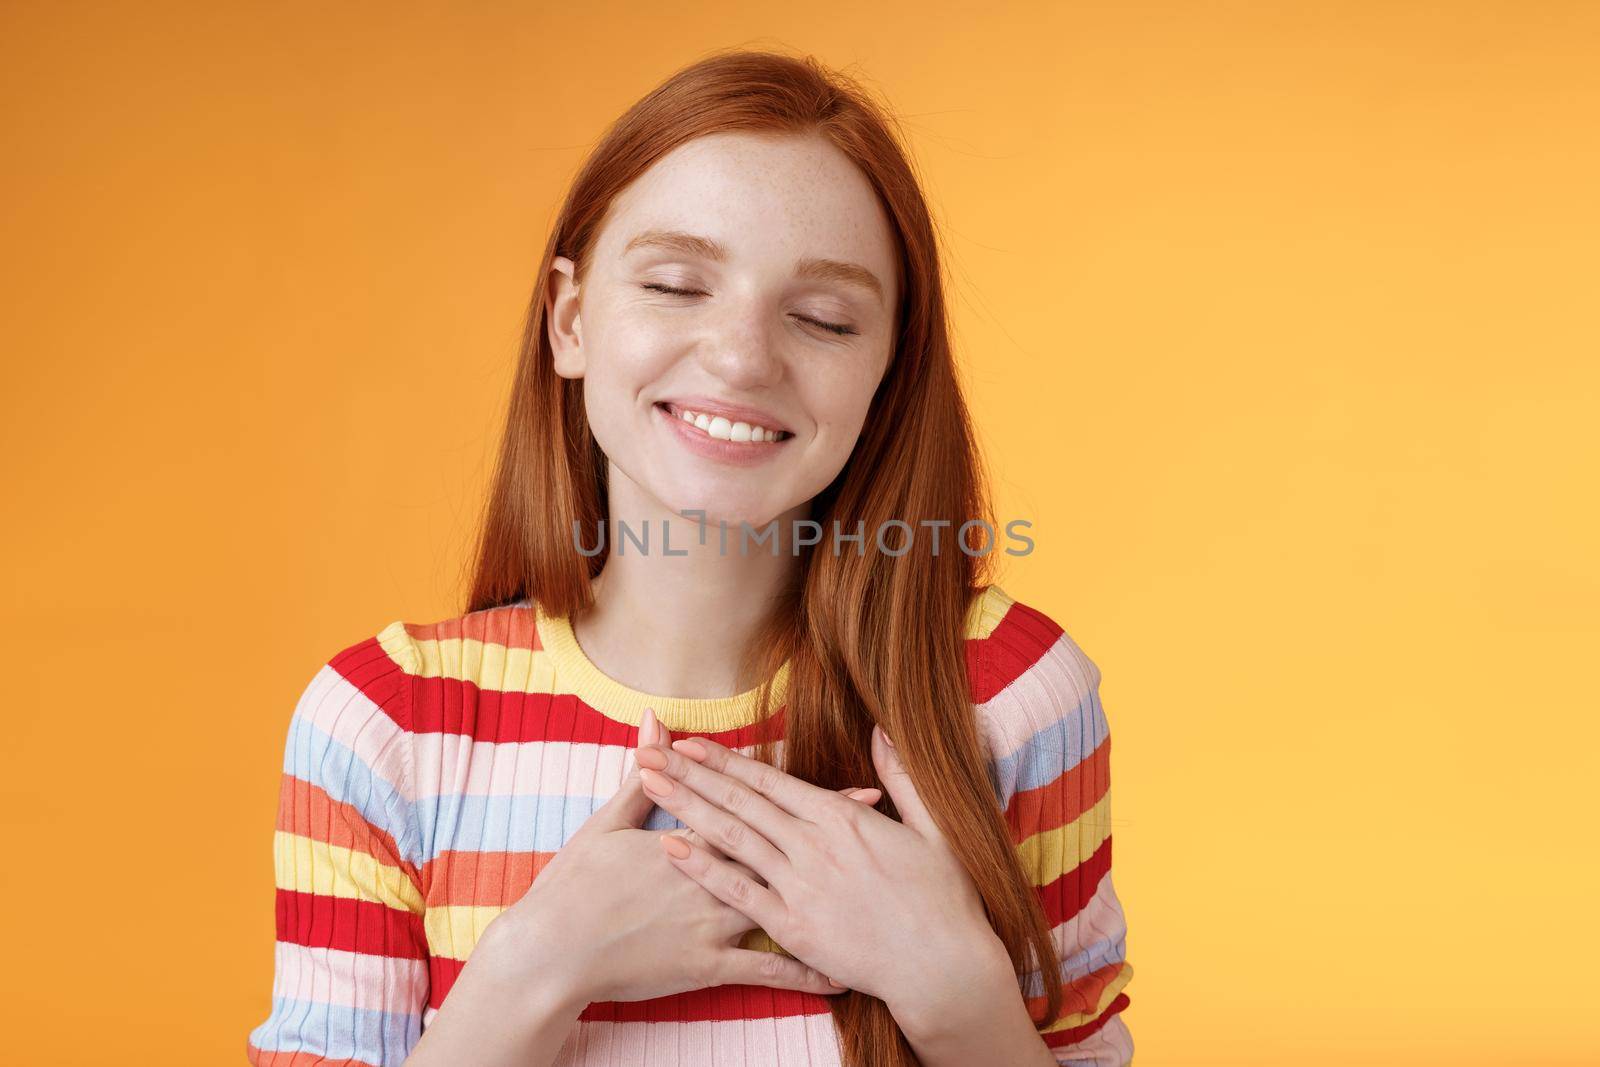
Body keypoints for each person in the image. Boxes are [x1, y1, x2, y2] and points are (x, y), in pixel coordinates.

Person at [245, 49, 1134, 1067]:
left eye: (823, 318)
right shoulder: (383, 721)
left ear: (888, 369)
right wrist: (532, 969)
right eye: (676, 285)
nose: (742, 355)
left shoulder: (1012, 692)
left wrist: (952, 985)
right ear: (570, 320)